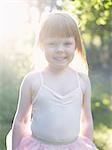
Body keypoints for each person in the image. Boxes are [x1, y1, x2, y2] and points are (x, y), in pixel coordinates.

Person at [8, 11, 99, 150]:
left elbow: (86, 120)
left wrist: (87, 145)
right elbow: (21, 121)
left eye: (67, 43)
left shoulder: (82, 81)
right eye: (52, 44)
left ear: (76, 45)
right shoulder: (33, 81)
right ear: (42, 45)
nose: (60, 50)